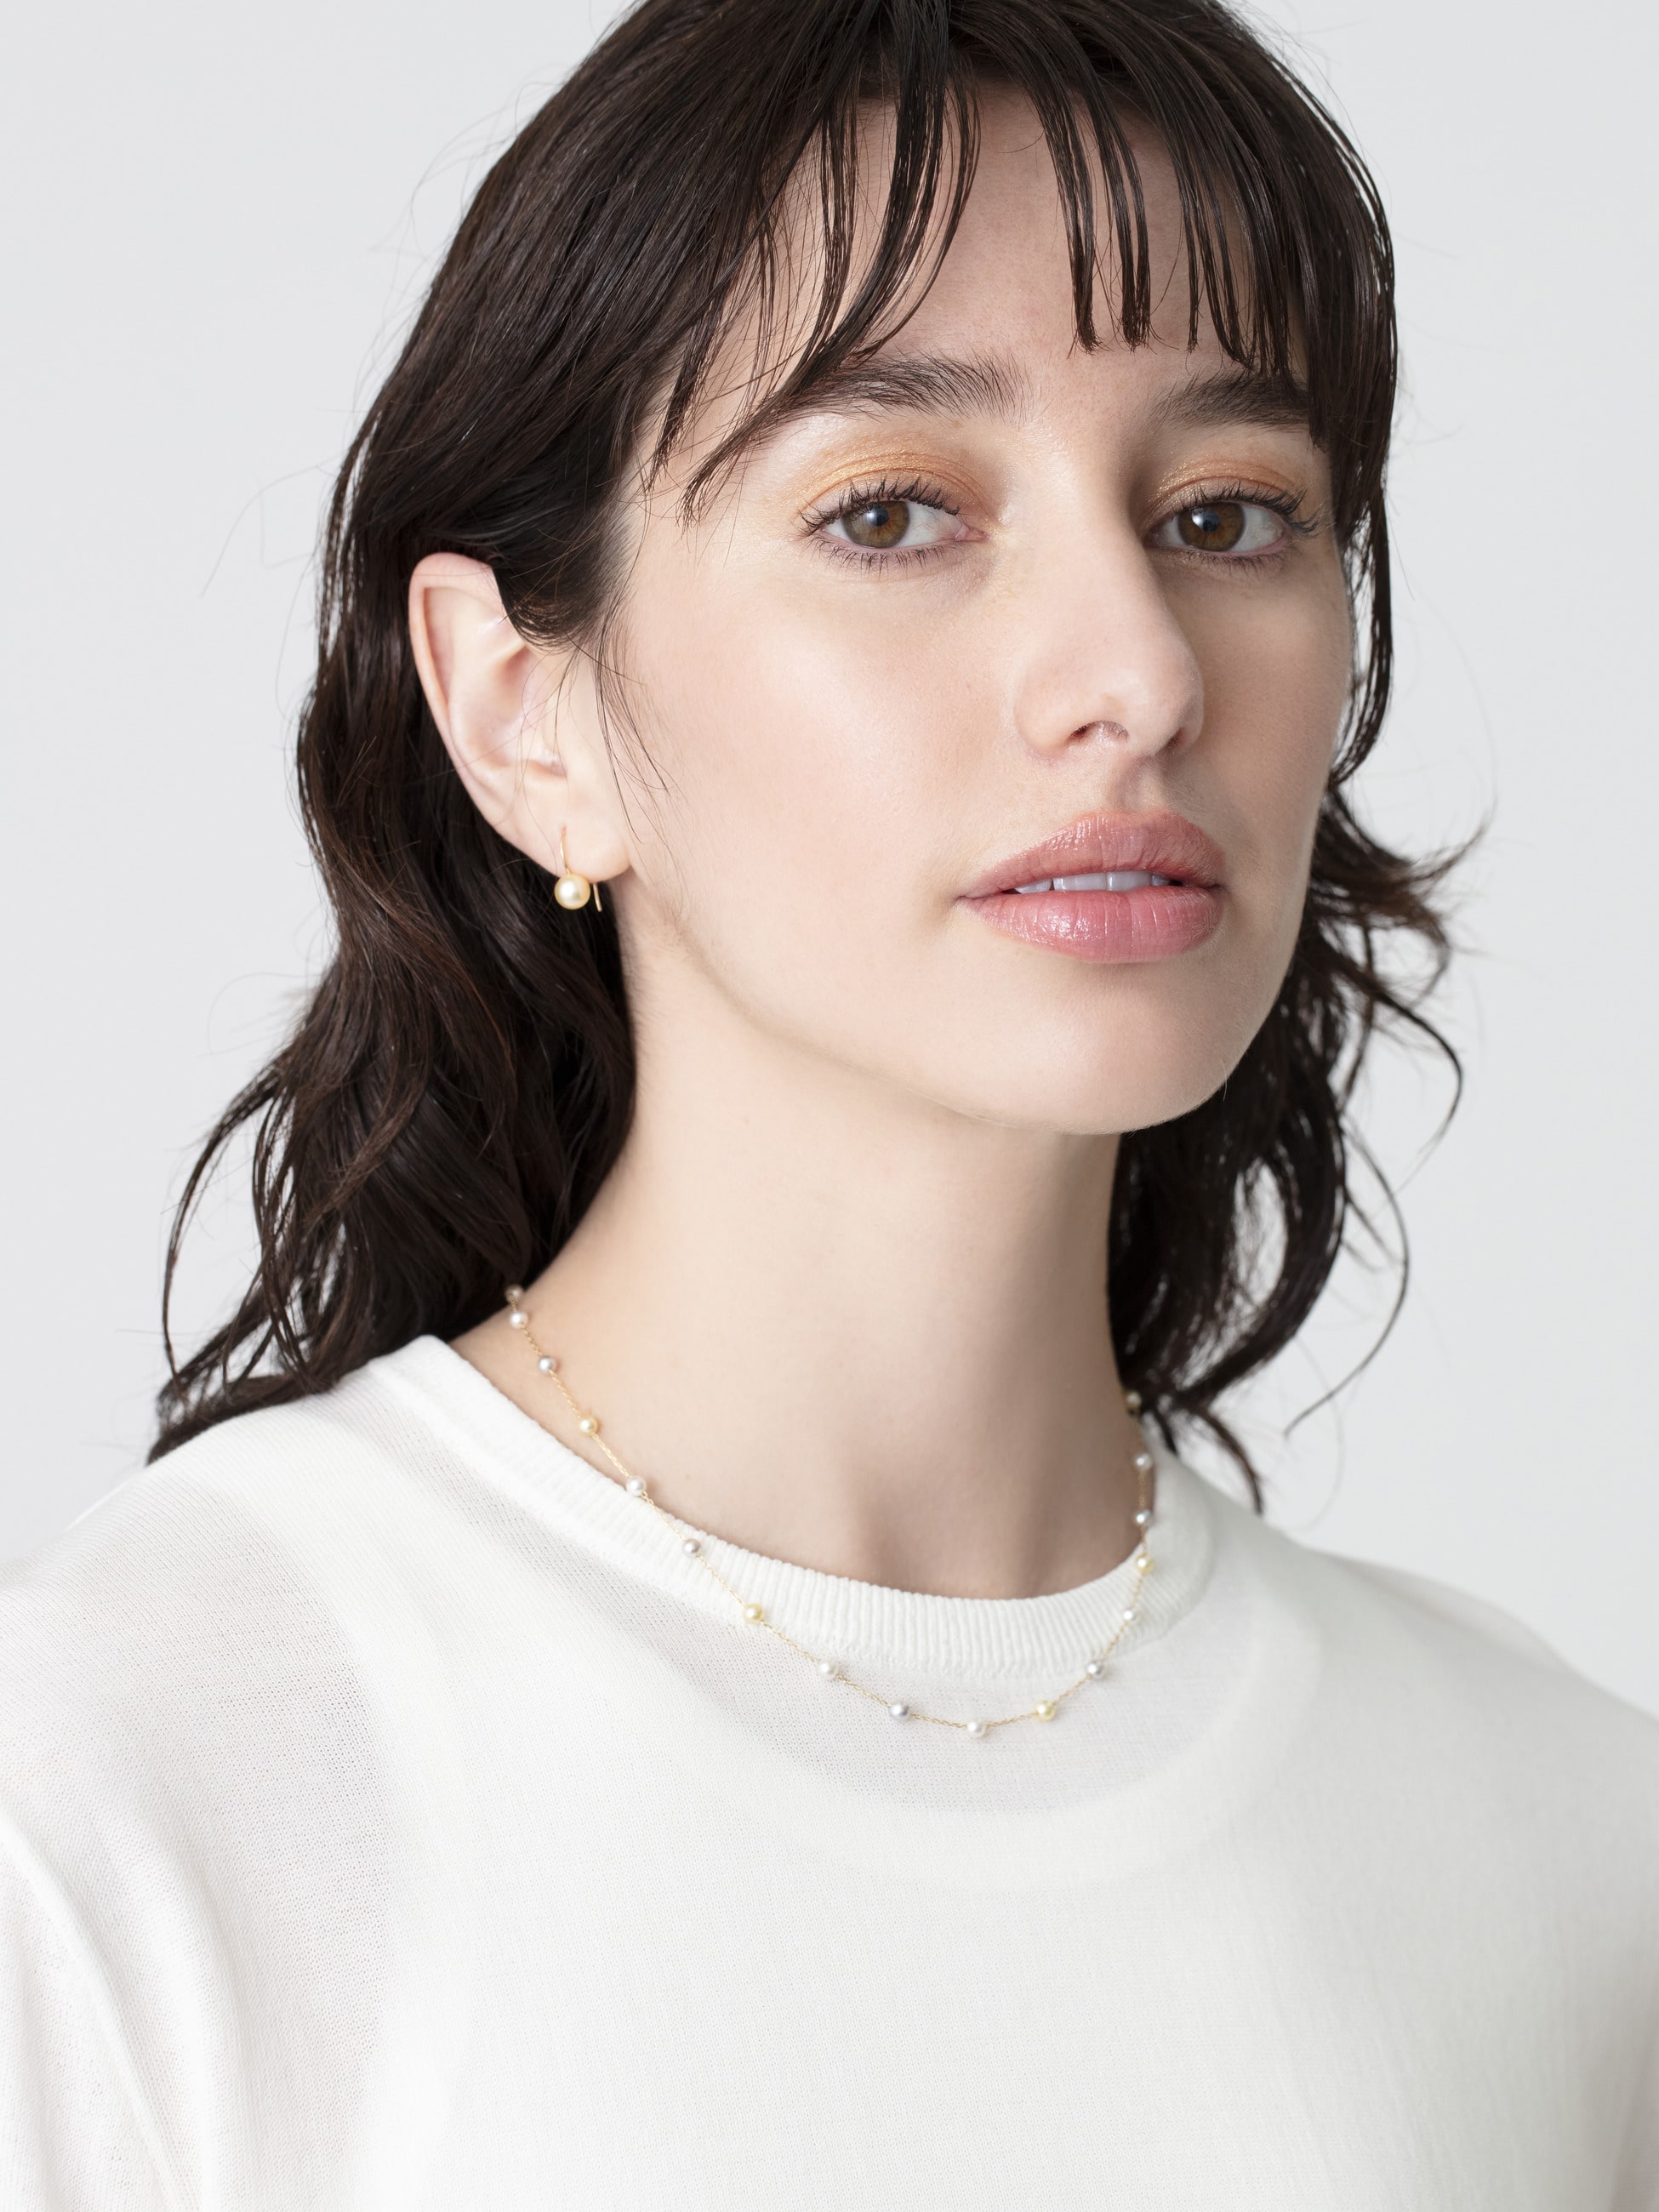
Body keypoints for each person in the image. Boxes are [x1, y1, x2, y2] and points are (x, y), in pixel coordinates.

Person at [3, 0, 1656, 2202]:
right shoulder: (130, 1788)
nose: (1139, 674)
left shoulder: (1567, 1847)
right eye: (893, 513)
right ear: (524, 711)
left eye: (1227, 513)